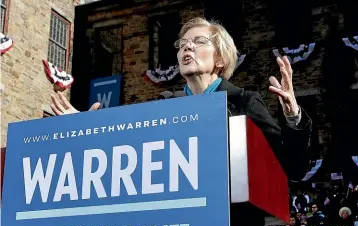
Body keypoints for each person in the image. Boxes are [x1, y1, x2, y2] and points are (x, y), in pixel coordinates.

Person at [50, 17, 312, 181]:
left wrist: (292, 114)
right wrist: (85, 127)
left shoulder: (245, 102)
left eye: (199, 41)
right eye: (182, 44)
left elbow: (294, 167)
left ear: (220, 58)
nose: (187, 47)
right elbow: (126, 147)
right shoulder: (164, 104)